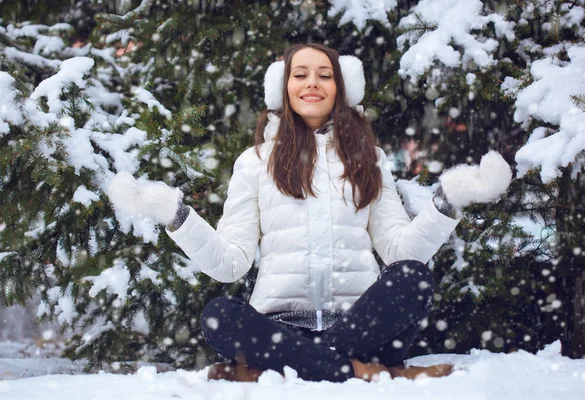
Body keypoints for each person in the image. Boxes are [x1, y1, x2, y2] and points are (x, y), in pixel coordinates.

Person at [108, 43, 512, 383]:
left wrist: (449, 201)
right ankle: (360, 371)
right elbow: (230, 263)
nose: (312, 83)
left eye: (324, 74)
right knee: (219, 315)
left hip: (361, 329)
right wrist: (175, 215)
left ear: (341, 87)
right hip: (281, 327)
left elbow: (399, 251)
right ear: (283, 88)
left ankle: (300, 365)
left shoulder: (369, 159)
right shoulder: (254, 162)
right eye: (300, 74)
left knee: (414, 277)